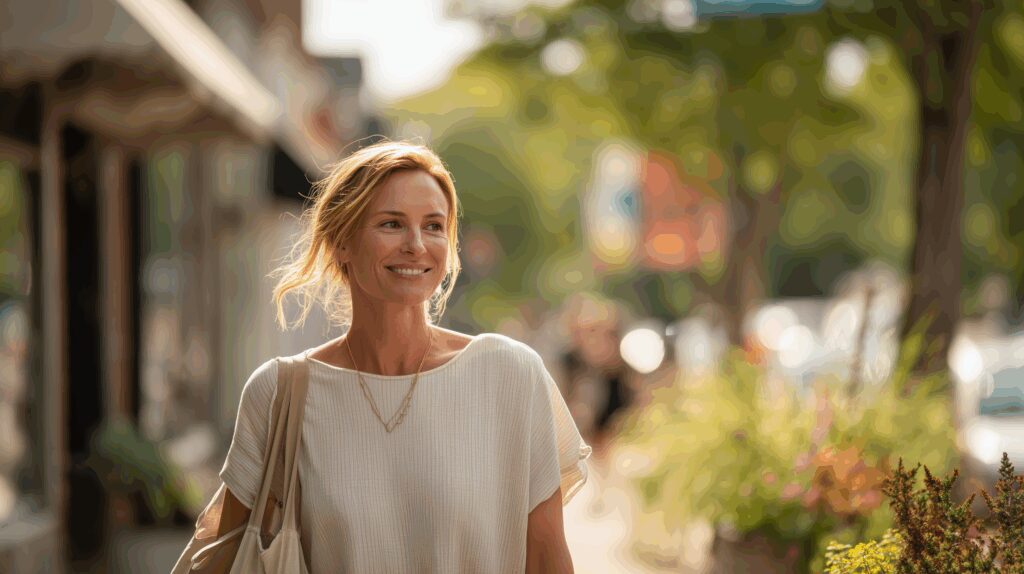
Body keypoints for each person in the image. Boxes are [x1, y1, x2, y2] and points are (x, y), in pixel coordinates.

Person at [207, 140, 591, 573]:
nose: (416, 244)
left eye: (433, 226)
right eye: (391, 224)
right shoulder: (279, 393)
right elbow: (225, 557)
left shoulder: (510, 374)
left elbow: (548, 560)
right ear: (341, 243)